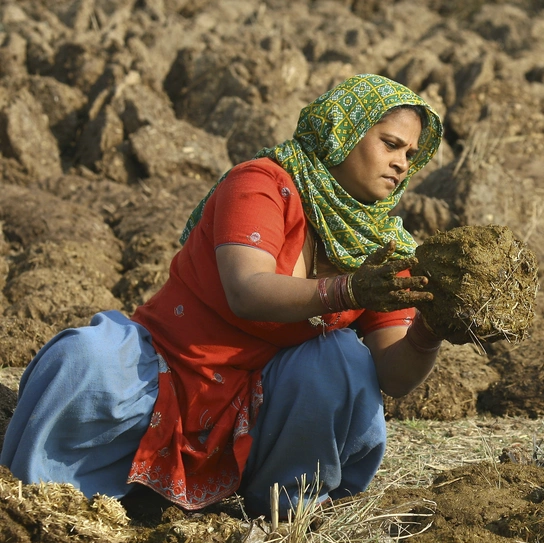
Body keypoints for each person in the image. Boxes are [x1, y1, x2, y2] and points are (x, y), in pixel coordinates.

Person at [0, 73, 449, 517]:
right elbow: (247, 290)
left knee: (343, 361)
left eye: (412, 154)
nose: (402, 164)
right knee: (85, 358)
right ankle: (39, 504)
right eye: (390, 144)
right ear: (341, 132)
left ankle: (289, 508)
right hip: (166, 370)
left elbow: (394, 376)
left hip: (262, 409)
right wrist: (347, 288)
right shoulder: (263, 183)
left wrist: (431, 330)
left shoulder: (388, 249)